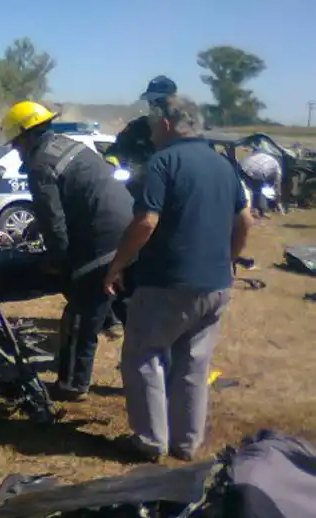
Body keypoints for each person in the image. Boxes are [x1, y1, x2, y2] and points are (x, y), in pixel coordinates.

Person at [103, 95, 253, 462]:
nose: (151, 133)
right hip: (215, 286)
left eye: (154, 125)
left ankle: (151, 441)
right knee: (193, 363)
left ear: (167, 125)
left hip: (167, 284)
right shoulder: (223, 165)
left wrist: (117, 264)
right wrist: (228, 261)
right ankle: (187, 443)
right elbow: (245, 218)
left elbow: (146, 221)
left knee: (144, 355)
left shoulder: (163, 162)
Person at [0, 100, 135, 401]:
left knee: (78, 314)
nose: (17, 150)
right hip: (130, 234)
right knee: (132, 312)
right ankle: (144, 376)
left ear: (27, 135)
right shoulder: (70, 146)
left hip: (101, 240)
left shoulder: (40, 164)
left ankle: (72, 385)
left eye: (17, 144)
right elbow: (71, 200)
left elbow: (54, 223)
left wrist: (56, 263)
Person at [240, 150, 282, 218]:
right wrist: (278, 203)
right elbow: (278, 188)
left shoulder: (269, 158)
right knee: (256, 191)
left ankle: (253, 208)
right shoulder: (278, 170)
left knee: (249, 189)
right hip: (254, 170)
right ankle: (256, 210)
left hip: (243, 165)